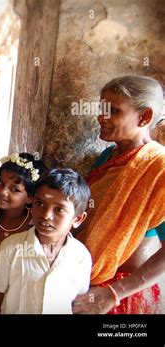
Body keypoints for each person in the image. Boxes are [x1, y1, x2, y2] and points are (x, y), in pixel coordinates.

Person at [73, 75, 165, 314]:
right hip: (88, 284)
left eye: (113, 111)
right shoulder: (107, 158)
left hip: (125, 294)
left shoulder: (159, 168)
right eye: (101, 109)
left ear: (144, 117)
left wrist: (114, 293)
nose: (101, 118)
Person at [0, 169, 92, 314]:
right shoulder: (11, 248)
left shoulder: (81, 257)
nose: (46, 215)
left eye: (59, 209)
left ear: (77, 219)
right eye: (40, 204)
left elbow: (78, 301)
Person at [0, 152, 46, 312]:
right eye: (0, 183)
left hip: (16, 295)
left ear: (30, 197)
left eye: (14, 189)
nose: (2, 192)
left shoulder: (33, 227)